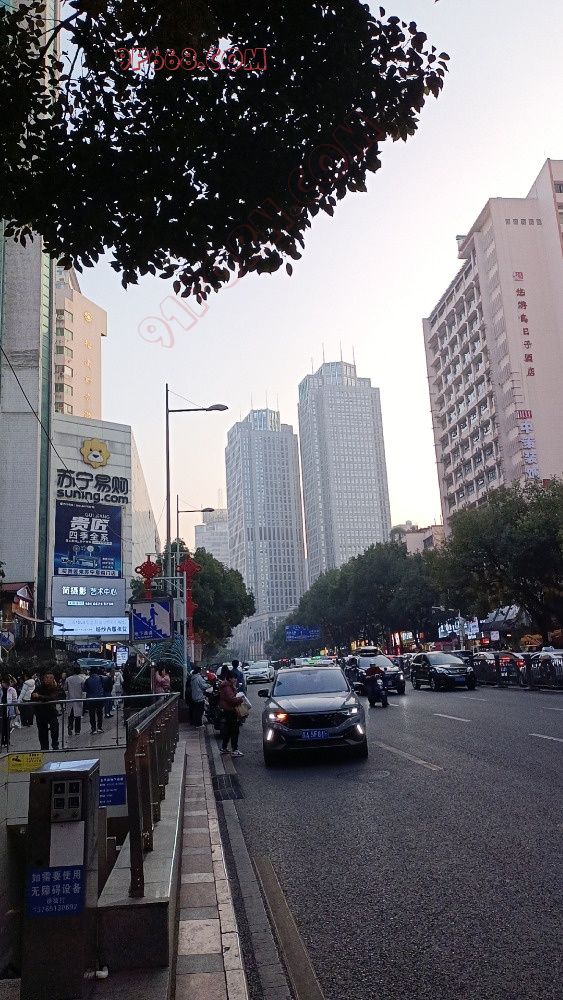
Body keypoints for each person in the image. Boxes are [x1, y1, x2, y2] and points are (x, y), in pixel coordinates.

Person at [32, 672, 62, 750]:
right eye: (47, 677)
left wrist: (40, 696)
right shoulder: (39, 687)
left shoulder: (55, 688)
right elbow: (33, 696)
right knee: (42, 732)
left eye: (51, 678)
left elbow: (52, 698)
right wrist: (38, 697)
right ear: (44, 679)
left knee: (55, 728)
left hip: (51, 712)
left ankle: (55, 744)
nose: (49, 679)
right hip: (40, 713)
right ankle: (44, 748)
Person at [218, 668, 244, 756]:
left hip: (228, 710)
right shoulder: (227, 687)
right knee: (234, 731)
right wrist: (240, 699)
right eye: (234, 678)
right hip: (230, 711)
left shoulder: (228, 686)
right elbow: (231, 700)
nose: (235, 679)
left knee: (228, 730)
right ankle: (235, 749)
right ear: (230, 678)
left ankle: (224, 748)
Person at [64, 664, 86, 737]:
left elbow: (65, 688)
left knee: (70, 715)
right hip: (78, 699)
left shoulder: (68, 679)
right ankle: (77, 731)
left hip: (70, 699)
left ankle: (70, 726)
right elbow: (83, 689)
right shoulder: (81, 680)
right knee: (78, 716)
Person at [83, 666, 104, 735]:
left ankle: (93, 729)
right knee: (99, 714)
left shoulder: (87, 680)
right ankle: (99, 728)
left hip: (91, 699)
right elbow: (102, 687)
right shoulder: (100, 678)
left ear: (90, 672)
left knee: (92, 715)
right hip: (99, 699)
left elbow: (85, 689)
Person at [1, 675, 18, 749]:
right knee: (2, 726)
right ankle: (2, 741)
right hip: (1, 709)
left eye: (7, 683)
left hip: (8, 710)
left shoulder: (12, 690)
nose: (5, 684)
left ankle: (7, 741)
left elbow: (15, 700)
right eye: (3, 682)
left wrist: (16, 709)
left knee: (7, 726)